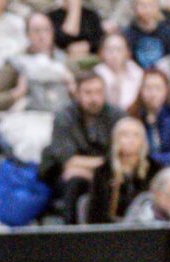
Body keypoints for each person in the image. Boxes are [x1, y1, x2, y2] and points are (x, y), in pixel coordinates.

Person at [0, 9, 73, 163]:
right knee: (35, 141)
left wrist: (73, 89)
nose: (42, 35)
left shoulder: (66, 62)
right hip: (28, 119)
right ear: (28, 35)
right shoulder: (16, 64)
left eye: (46, 30)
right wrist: (17, 93)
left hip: (60, 117)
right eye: (36, 31)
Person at [40, 68, 120, 208]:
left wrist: (93, 169)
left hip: (108, 173)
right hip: (65, 176)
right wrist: (104, 164)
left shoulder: (116, 115)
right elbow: (68, 159)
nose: (94, 98)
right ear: (77, 94)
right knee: (76, 180)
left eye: (98, 92)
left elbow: (123, 154)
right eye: (88, 92)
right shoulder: (64, 117)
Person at [78, 116, 156, 226]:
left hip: (145, 229)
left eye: (136, 135)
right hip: (111, 232)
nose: (131, 140)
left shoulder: (155, 169)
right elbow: (95, 214)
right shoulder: (103, 171)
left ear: (143, 140)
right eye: (125, 135)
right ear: (116, 139)